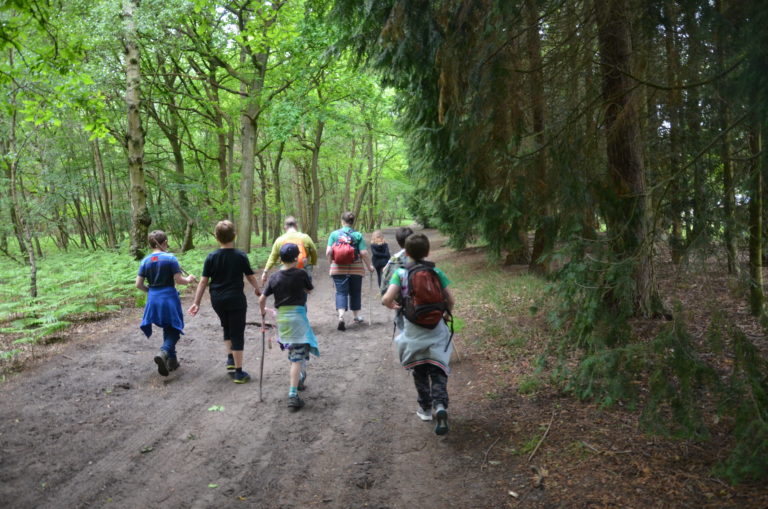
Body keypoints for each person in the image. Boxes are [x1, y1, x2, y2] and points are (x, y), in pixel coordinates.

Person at [381, 233, 455, 435]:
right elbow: (451, 300)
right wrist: (445, 314)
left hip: (413, 330)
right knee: (438, 368)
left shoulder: (401, 273)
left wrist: (392, 305)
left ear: (406, 253)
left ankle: (425, 409)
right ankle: (440, 405)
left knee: (420, 369)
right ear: (427, 252)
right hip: (436, 328)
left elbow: (386, 298)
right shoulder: (436, 272)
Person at [188, 220, 261, 384]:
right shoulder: (240, 255)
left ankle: (230, 359)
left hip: (218, 300)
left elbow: (203, 281)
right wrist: (257, 289)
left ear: (216, 237)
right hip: (235, 299)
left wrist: (196, 302)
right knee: (237, 333)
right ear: (234, 236)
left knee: (227, 326)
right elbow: (250, 276)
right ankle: (239, 372)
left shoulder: (211, 257)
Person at [259, 243, 319, 411]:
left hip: (283, 320)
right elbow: (309, 290)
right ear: (296, 258)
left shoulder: (274, 277)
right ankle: (293, 394)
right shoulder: (301, 273)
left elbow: (261, 299)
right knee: (296, 358)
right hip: (298, 318)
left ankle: (299, 376)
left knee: (295, 351)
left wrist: (262, 313)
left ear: (280, 258)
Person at [135, 230, 197, 377]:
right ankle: (164, 352)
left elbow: (138, 284)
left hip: (153, 299)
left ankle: (172, 361)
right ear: (165, 243)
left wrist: (151, 292)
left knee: (168, 326)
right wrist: (189, 279)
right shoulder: (170, 258)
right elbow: (179, 280)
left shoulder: (145, 261)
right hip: (168, 298)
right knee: (175, 328)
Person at [326, 211, 374, 331]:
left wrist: (331, 263)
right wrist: (369, 266)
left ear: (342, 221)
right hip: (356, 269)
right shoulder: (358, 235)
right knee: (355, 292)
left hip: (338, 268)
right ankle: (356, 317)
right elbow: (363, 253)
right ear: (353, 222)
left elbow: (328, 252)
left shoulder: (334, 234)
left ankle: (341, 317)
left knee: (341, 293)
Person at [261, 216, 318, 284]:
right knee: (305, 287)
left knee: (286, 288)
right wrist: (313, 262)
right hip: (304, 268)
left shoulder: (280, 240)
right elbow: (314, 251)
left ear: (285, 227)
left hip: (285, 270)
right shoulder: (305, 237)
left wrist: (265, 271)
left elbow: (273, 257)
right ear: (296, 225)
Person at [379, 226, 414, 332]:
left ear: (398, 242)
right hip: (419, 301)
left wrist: (386, 297)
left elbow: (385, 271)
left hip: (401, 302)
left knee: (403, 329)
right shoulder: (418, 255)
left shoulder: (395, 258)